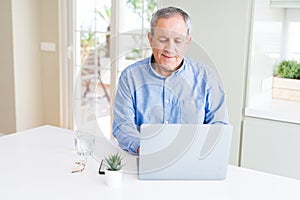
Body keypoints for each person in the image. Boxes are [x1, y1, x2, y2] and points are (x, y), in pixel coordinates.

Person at [112, 6, 228, 155]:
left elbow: (219, 126)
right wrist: (143, 148)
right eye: (162, 40)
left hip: (194, 162)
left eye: (178, 40)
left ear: (187, 42)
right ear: (150, 39)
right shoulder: (130, 77)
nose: (170, 49)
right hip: (144, 159)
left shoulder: (207, 78)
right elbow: (122, 126)